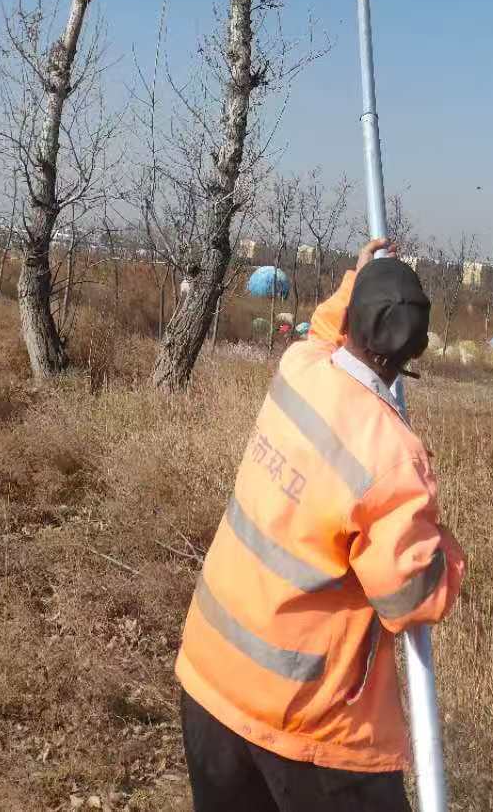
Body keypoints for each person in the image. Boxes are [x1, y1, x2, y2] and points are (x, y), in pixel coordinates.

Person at [177, 239, 466, 812]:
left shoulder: (300, 368)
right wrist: (445, 547)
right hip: (309, 723)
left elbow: (323, 333)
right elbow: (413, 598)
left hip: (213, 680)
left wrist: (355, 280)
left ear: (352, 319)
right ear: (414, 353)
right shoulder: (391, 458)